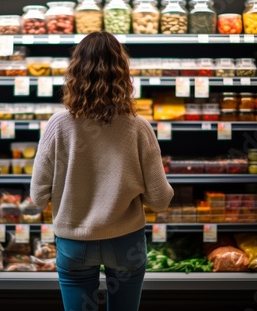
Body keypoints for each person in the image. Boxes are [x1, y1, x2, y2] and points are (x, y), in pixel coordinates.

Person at [30, 31, 174, 311]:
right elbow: (160, 199)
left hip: (74, 240)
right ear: (122, 74)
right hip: (126, 242)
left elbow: (37, 196)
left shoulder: (58, 126)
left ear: (75, 72)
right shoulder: (138, 127)